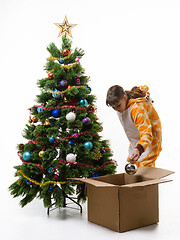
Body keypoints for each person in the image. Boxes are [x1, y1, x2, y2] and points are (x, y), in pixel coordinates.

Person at [106, 85, 162, 167]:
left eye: (118, 105)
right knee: (134, 164)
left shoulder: (137, 109)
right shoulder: (122, 106)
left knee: (145, 168)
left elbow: (147, 133)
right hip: (136, 139)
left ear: (124, 98)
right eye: (113, 107)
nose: (116, 109)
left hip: (150, 139)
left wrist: (139, 149)